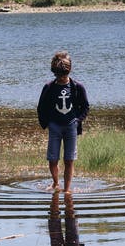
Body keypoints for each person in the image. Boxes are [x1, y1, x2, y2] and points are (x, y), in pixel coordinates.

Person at [37, 51, 89, 192]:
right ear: (55, 73)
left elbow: (85, 107)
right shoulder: (49, 87)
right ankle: (55, 183)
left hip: (71, 126)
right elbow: (41, 107)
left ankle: (66, 190)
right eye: (59, 76)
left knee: (69, 160)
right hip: (54, 126)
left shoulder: (77, 87)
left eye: (63, 76)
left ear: (68, 71)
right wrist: (47, 124)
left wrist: (78, 121)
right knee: (52, 159)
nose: (61, 79)